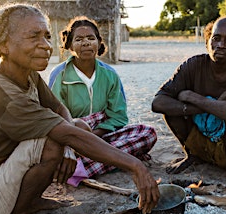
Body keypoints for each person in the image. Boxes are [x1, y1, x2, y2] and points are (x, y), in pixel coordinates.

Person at [0, 4, 159, 214]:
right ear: (4, 45)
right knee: (54, 140)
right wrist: (135, 166)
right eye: (34, 37)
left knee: (77, 126)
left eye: (47, 36)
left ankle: (30, 201)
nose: (45, 46)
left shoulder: (27, 75)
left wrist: (70, 147)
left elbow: (59, 109)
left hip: (5, 171)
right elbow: (64, 132)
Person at [49, 16, 157, 187]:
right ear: (69, 45)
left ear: (99, 43)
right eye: (79, 39)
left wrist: (94, 136)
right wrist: (82, 135)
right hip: (69, 140)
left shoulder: (109, 75)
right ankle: (117, 159)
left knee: (147, 132)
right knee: (77, 123)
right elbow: (54, 118)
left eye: (91, 38)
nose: (86, 43)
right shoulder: (60, 75)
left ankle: (80, 169)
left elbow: (119, 117)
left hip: (102, 135)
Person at [151, 17, 226, 184]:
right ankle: (192, 154)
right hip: (199, 138)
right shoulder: (192, 65)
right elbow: (158, 103)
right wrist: (213, 104)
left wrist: (194, 98)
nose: (221, 45)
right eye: (216, 38)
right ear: (207, 42)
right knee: (171, 109)